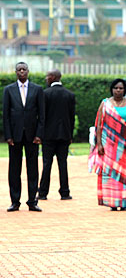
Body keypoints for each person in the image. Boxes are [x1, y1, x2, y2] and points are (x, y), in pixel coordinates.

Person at [89, 79, 126, 211]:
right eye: (116, 88)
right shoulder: (105, 103)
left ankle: (124, 201)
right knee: (110, 173)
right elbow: (100, 125)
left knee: (125, 173)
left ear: (125, 90)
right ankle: (112, 201)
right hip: (109, 145)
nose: (118, 90)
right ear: (112, 89)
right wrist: (99, 144)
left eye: (121, 88)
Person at [2, 62, 44, 212]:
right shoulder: (8, 90)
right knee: (14, 169)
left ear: (28, 71)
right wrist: (8, 135)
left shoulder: (37, 89)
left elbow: (42, 115)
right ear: (15, 72)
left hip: (32, 136)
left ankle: (32, 201)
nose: (21, 72)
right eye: (19, 70)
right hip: (15, 135)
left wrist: (39, 134)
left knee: (32, 169)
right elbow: (5, 115)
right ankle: (15, 201)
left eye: (24, 69)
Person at [38, 69, 75, 201]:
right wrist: (70, 135)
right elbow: (72, 118)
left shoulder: (45, 94)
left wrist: (40, 134)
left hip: (48, 135)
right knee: (62, 164)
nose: (46, 78)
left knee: (47, 164)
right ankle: (64, 193)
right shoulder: (69, 95)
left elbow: (42, 117)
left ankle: (42, 193)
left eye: (47, 76)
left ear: (53, 77)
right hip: (64, 135)